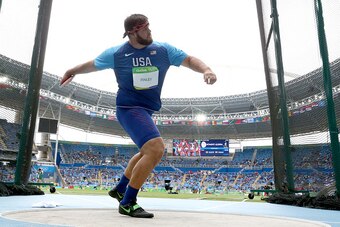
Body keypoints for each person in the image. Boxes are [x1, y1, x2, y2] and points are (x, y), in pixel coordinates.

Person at [60, 13, 217, 218]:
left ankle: (120, 188)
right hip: (128, 108)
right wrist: (71, 70)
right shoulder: (117, 53)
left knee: (146, 151)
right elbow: (92, 64)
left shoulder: (163, 50)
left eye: (149, 27)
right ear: (132, 33)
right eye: (145, 28)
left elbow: (188, 59)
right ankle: (127, 202)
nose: (150, 31)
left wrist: (206, 69)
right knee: (156, 148)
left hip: (146, 110)